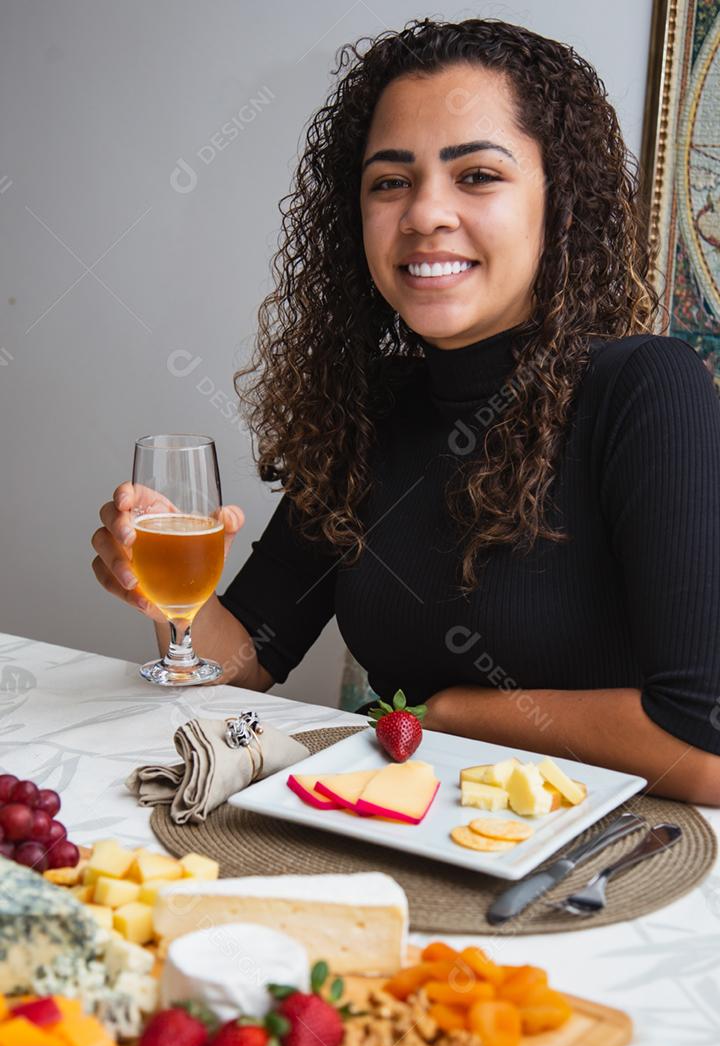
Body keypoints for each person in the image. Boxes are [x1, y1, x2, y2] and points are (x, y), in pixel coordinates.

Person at [91, 17, 720, 804]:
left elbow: (704, 748)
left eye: (477, 176)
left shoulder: (646, 388)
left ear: (560, 203)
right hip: (394, 831)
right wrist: (167, 602)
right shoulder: (372, 408)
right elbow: (248, 659)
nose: (424, 213)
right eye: (391, 182)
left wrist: (449, 713)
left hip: (601, 865)